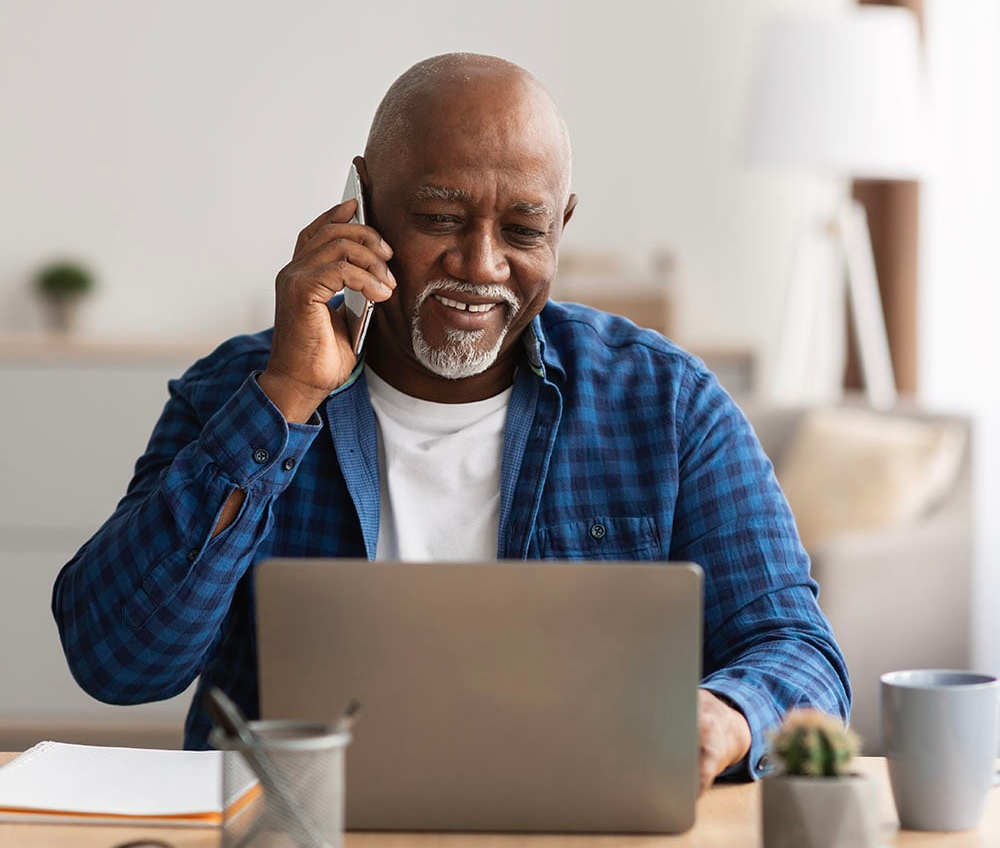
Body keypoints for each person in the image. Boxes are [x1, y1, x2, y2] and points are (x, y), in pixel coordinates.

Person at [52, 52, 849, 795]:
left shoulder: (666, 404)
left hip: (571, 840)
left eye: (524, 230)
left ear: (562, 224)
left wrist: (728, 714)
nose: (482, 264)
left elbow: (800, 652)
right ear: (359, 204)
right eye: (440, 217)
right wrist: (288, 395)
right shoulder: (238, 391)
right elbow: (117, 662)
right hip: (297, 844)